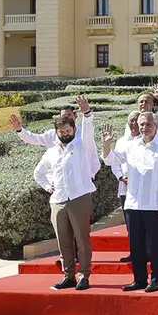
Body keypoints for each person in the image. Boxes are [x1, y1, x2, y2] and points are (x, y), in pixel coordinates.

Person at [21, 96, 98, 291]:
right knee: (63, 242)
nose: (65, 134)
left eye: (68, 130)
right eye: (61, 131)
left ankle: (84, 275)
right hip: (58, 201)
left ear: (73, 130)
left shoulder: (82, 145)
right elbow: (38, 173)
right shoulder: (52, 152)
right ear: (57, 132)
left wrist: (87, 113)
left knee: (82, 240)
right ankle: (68, 276)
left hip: (79, 198)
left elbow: (88, 131)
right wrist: (48, 187)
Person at [115, 111, 158, 293]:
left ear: (156, 126)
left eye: (148, 124)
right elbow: (111, 159)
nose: (144, 128)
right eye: (141, 124)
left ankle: (156, 279)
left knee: (155, 244)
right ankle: (139, 279)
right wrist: (105, 144)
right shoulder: (131, 146)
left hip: (155, 205)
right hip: (133, 204)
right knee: (136, 245)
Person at [102, 110, 141, 263]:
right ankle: (134, 253)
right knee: (130, 224)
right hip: (126, 189)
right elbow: (113, 161)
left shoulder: (150, 140)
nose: (134, 123)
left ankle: (148, 252)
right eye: (132, 120)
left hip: (145, 190)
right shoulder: (122, 142)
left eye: (137, 120)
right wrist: (120, 176)